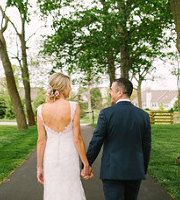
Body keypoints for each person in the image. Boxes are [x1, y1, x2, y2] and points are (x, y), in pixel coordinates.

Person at [83, 78, 151, 200]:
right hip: (135, 172)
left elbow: (96, 141)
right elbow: (146, 146)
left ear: (119, 92)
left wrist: (87, 164)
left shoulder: (106, 113)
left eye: (111, 90)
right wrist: (142, 169)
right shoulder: (144, 116)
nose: (109, 92)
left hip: (112, 171)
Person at [36, 72, 92, 200]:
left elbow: (41, 141)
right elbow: (77, 139)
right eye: (69, 86)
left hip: (50, 157)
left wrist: (39, 168)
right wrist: (86, 164)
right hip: (69, 155)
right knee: (71, 188)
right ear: (62, 88)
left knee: (53, 190)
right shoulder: (73, 107)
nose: (70, 89)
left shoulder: (41, 109)